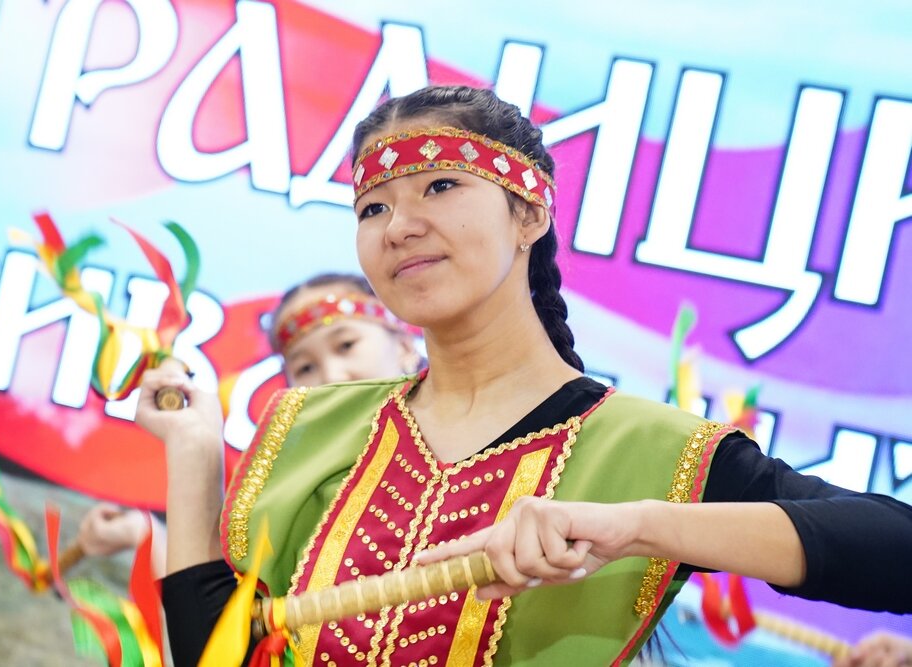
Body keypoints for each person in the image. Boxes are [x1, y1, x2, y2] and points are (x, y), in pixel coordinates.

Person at [135, 85, 912, 667]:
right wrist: (195, 455)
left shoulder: (653, 452)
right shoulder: (307, 426)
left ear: (528, 215)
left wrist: (640, 526)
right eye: (372, 207)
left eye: (439, 186)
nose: (399, 225)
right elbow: (219, 653)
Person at [77, 272, 420, 574]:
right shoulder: (289, 497)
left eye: (346, 345)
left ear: (405, 346)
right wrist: (146, 536)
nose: (330, 377)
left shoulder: (462, 451)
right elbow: (228, 626)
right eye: (304, 368)